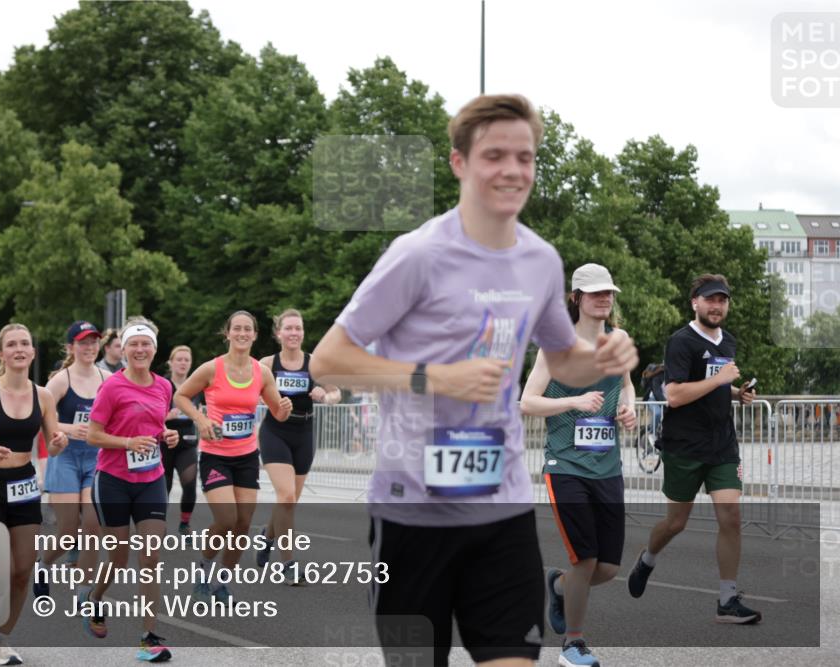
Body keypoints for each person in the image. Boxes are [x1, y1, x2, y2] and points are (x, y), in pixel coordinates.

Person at [309, 94, 638, 667]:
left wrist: (606, 360)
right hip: (413, 512)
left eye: (525, 157)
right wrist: (434, 378)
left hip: (501, 505)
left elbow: (562, 361)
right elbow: (328, 361)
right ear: (459, 162)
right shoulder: (417, 254)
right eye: (494, 155)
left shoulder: (540, 260)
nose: (513, 170)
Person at [520, 263, 638, 667]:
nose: (604, 298)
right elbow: (527, 402)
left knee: (607, 569)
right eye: (595, 293)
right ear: (577, 298)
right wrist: (573, 401)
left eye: (608, 292)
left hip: (608, 467)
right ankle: (573, 645)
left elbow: (626, 386)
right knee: (585, 560)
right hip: (566, 466)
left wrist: (628, 409)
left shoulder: (618, 340)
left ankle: (557, 586)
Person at [627, 274, 761, 624]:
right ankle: (647, 559)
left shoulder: (728, 341)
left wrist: (737, 393)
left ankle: (727, 599)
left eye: (722, 300)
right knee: (676, 523)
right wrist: (720, 379)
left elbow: (715, 387)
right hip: (685, 445)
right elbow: (674, 395)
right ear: (695, 303)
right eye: (710, 299)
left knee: (731, 516)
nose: (716, 306)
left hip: (722, 444)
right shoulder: (681, 341)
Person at [0, 324, 67, 665]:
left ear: (32, 352)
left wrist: (60, 441)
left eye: (25, 344)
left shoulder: (43, 396)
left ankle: (0, 640)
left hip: (24, 486)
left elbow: (53, 442)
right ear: (1, 354)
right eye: (12, 344)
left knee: (21, 571)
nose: (19, 349)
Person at [174, 311, 292, 604]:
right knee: (226, 519)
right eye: (236, 328)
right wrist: (201, 420)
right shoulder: (211, 369)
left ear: (255, 335)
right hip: (215, 455)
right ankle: (203, 569)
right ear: (227, 333)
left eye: (247, 329)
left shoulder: (262, 373)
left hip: (247, 456)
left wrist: (284, 410)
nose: (242, 333)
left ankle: (222, 583)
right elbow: (181, 396)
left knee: (242, 523)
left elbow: (277, 412)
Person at [84, 316, 177, 663]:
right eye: (133, 344)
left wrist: (166, 435)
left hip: (151, 479)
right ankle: (95, 597)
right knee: (119, 559)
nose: (140, 350)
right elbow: (93, 435)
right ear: (123, 350)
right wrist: (127, 442)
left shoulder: (164, 386)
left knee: (150, 557)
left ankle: (148, 637)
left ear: (154, 349)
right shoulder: (112, 387)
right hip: (113, 481)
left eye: (146, 344)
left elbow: (154, 424)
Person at [255, 308, 340, 579]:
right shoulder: (267, 364)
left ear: (303, 332)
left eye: (298, 328)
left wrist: (325, 396)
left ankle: (267, 537)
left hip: (304, 433)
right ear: (278, 333)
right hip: (275, 432)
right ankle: (288, 565)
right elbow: (247, 391)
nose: (294, 333)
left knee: (288, 501)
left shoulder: (315, 364)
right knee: (287, 496)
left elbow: (336, 393)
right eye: (289, 328)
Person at [34, 321, 108, 598]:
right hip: (65, 458)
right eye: (83, 342)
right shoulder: (60, 380)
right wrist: (68, 429)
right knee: (68, 533)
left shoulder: (108, 379)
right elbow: (39, 416)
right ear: (70, 347)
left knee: (92, 526)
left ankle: (83, 592)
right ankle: (43, 564)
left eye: (93, 342)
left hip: (95, 459)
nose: (89, 347)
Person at [164, 345, 200, 535]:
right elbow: (149, 414)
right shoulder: (163, 385)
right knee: (164, 486)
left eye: (187, 360)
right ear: (171, 363)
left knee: (190, 482)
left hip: (188, 441)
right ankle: (158, 523)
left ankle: (185, 524)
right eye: (179, 359)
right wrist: (167, 416)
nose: (183, 363)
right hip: (165, 441)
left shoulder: (196, 385)